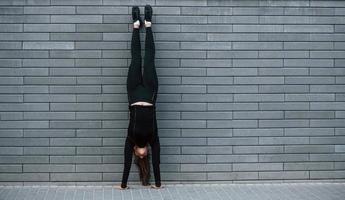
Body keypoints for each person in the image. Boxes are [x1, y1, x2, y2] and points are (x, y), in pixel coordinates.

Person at [114, 5, 162, 190]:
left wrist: (123, 185)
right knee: (149, 59)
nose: (142, 154)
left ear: (135, 152)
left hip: (133, 93)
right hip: (150, 93)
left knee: (135, 59)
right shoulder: (153, 139)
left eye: (138, 156)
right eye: (145, 156)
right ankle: (148, 25)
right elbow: (156, 161)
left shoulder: (130, 140)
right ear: (146, 153)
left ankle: (136, 25)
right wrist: (158, 184)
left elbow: (126, 164)